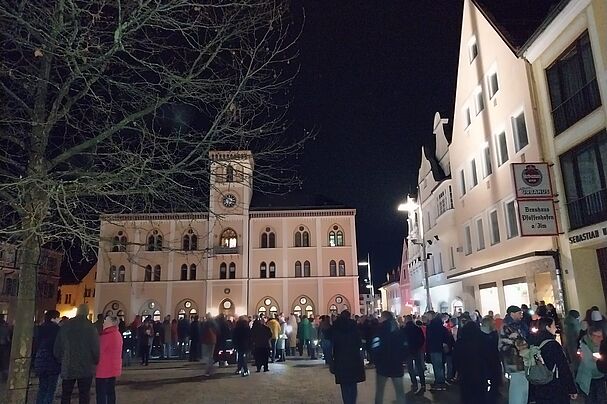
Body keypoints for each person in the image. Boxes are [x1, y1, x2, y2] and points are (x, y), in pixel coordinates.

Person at [54, 304, 100, 404]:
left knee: (66, 394)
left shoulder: (66, 326)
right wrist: (95, 360)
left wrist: (61, 360)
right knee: (84, 394)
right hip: (85, 366)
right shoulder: (91, 328)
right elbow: (95, 348)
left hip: (68, 365)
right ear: (87, 313)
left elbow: (57, 347)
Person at [530, 317, 577, 404]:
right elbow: (563, 367)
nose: (556, 328)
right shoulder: (553, 345)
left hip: (539, 385)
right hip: (555, 386)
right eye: (554, 325)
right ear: (548, 327)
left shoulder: (534, 342)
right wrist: (571, 388)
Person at [330, 310, 365, 404]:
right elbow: (359, 342)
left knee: (344, 385)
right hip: (354, 358)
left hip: (340, 359)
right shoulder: (354, 326)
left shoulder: (336, 326)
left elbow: (332, 342)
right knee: (353, 384)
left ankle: (347, 402)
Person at [454, 321, 493, 403]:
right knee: (480, 394)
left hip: (465, 372)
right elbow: (489, 356)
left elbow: (456, 358)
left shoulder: (461, 341)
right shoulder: (483, 340)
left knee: (467, 394)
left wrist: (457, 370)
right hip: (480, 371)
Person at [372, 311, 406, 404]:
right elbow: (405, 347)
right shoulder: (398, 331)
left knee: (380, 392)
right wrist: (401, 359)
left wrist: (376, 361)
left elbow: (375, 347)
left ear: (384, 318)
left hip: (383, 365)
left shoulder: (380, 330)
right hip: (397, 365)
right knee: (400, 392)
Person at [499, 305, 529, 404]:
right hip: (514, 362)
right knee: (517, 389)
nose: (521, 315)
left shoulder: (520, 325)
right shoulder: (506, 326)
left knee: (524, 389)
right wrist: (517, 343)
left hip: (523, 360)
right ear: (512, 314)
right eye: (519, 313)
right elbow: (503, 345)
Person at [34, 310, 61, 404]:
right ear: (53, 318)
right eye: (58, 317)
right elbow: (58, 348)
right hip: (53, 363)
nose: (59, 319)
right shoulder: (57, 330)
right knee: (50, 390)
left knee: (42, 388)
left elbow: (35, 345)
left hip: (40, 362)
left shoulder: (40, 328)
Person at [575, 325, 606, 403]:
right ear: (590, 336)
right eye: (598, 336)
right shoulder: (584, 345)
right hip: (588, 379)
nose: (601, 338)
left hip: (600, 377)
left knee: (601, 399)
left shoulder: (603, 344)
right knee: (590, 400)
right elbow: (588, 364)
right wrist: (601, 361)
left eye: (602, 336)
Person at [96, 316, 123, 404]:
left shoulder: (107, 335)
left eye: (106, 321)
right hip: (112, 368)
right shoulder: (117, 334)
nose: (103, 322)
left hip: (104, 369)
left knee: (102, 393)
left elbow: (98, 351)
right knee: (110, 392)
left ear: (111, 323)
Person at [480, 315, 502, 403]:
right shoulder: (492, 334)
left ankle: (493, 391)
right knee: (491, 375)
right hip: (489, 358)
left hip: (490, 358)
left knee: (492, 375)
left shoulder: (489, 334)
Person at [426, 311, 450, 391]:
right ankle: (440, 382)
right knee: (440, 366)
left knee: (437, 367)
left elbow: (429, 339)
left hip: (434, 348)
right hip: (440, 348)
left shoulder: (432, 326)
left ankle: (440, 383)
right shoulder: (440, 326)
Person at [403, 314, 426, 395]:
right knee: (419, 367)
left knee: (410, 368)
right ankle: (423, 384)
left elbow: (402, 341)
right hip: (417, 350)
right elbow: (422, 339)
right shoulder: (417, 328)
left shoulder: (404, 329)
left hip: (408, 351)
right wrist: (418, 346)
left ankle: (414, 383)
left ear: (406, 320)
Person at [0, 314, 11, 381]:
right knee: (4, 361)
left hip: (3, 344)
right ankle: (4, 377)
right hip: (4, 345)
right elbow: (8, 338)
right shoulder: (5, 327)